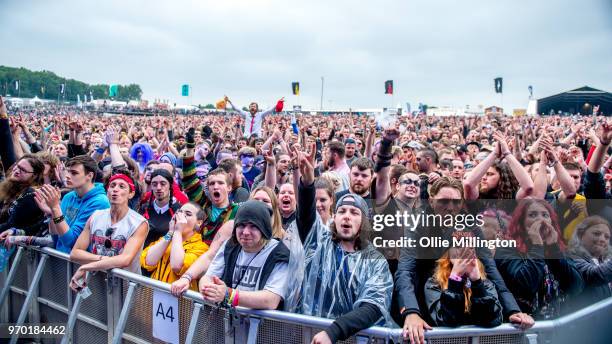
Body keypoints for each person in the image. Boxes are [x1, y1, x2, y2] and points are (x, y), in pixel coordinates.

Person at [395, 177, 534, 344]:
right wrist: (410, 311)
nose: (450, 208)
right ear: (431, 201)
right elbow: (405, 270)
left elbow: (491, 270)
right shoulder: (417, 225)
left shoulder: (470, 226)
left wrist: (512, 309)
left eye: (456, 202)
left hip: (462, 295)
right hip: (425, 297)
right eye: (443, 201)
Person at [295, 146, 394, 343]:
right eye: (342, 211)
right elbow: (306, 216)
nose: (347, 217)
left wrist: (333, 332)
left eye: (354, 212)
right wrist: (307, 182)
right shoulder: (319, 245)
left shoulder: (375, 260)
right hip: (312, 335)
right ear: (334, 217)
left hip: (351, 337)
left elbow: (373, 306)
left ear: (364, 222)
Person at [495, 199, 584, 318]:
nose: (540, 220)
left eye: (545, 215)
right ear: (521, 222)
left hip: (558, 326)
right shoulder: (507, 249)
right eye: (532, 215)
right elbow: (525, 285)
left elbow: (576, 287)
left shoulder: (557, 250)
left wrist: (554, 249)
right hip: (523, 325)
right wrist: (537, 245)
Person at [200, 200, 290, 310]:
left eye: (253, 226)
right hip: (227, 324)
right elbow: (207, 277)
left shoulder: (280, 253)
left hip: (262, 326)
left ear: (264, 229)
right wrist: (208, 289)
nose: (246, 232)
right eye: (241, 225)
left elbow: (271, 300)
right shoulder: (230, 246)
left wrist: (229, 295)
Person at [69, 171, 149, 290]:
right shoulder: (95, 216)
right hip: (98, 284)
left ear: (131, 194)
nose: (115, 189)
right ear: (107, 192)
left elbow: (125, 259)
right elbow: (75, 253)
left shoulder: (139, 223)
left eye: (121, 186)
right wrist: (101, 260)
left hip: (127, 287)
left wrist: (85, 267)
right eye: (112, 186)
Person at [33, 155, 110, 253]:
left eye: (74, 173)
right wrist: (52, 212)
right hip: (60, 260)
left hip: (78, 264)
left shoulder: (100, 202)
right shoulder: (68, 196)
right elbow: (56, 237)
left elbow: (71, 242)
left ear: (89, 176)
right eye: (68, 171)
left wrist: (56, 208)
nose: (67, 176)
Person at [425, 242, 503, 327]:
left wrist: (477, 283)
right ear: (448, 251)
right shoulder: (434, 283)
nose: (462, 252)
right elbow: (446, 321)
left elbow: (492, 320)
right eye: (458, 246)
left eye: (468, 247)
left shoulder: (485, 282)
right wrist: (455, 279)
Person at [141, 202, 209, 289]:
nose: (180, 217)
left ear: (199, 223)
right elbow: (148, 261)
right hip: (153, 295)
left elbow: (177, 266)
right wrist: (170, 233)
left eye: (187, 214)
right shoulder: (166, 238)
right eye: (180, 212)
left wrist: (178, 231)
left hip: (180, 300)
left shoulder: (202, 248)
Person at [567, 216, 611, 309]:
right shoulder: (571, 257)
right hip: (584, 321)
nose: (603, 239)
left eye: (607, 237)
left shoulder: (605, 261)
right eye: (596, 233)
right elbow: (594, 275)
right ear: (580, 235)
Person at [0, 155, 46, 237]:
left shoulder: (31, 195)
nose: (17, 171)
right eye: (17, 166)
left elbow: (11, 224)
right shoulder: (8, 187)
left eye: (23, 170)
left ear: (34, 175)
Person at [139, 169, 181, 248]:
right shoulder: (144, 209)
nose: (158, 188)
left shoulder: (179, 211)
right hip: (143, 256)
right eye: (154, 184)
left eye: (163, 184)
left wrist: (168, 236)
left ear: (170, 186)